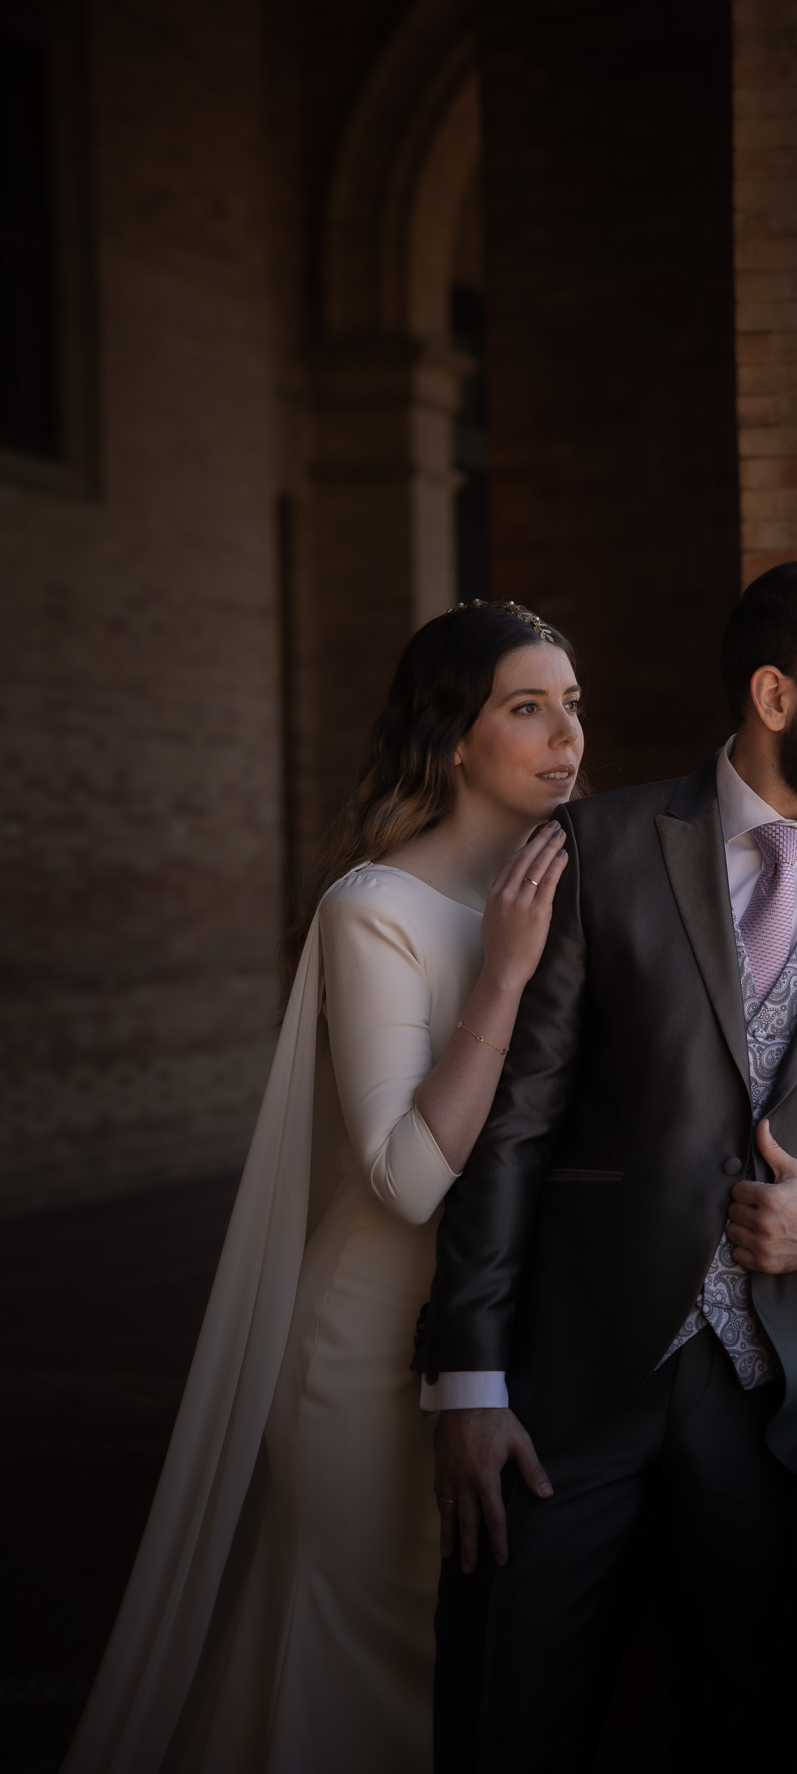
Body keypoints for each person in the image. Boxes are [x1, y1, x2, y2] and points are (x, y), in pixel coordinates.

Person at [418, 561, 797, 1773]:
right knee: (503, 1729)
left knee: (739, 1742)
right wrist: (467, 1381)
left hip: (786, 1417)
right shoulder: (599, 847)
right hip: (567, 1396)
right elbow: (517, 1129)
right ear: (775, 696)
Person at [63, 598, 583, 1774]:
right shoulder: (374, 910)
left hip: (500, 1343)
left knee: (466, 1673)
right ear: (455, 738)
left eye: (572, 704)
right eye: (527, 707)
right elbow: (406, 1179)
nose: (568, 735)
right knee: (357, 1668)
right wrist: (502, 981)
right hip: (367, 1355)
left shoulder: (573, 894)